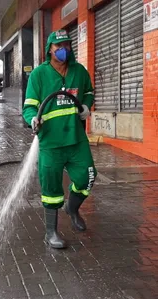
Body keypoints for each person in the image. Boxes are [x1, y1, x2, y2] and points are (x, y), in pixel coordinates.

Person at [22, 29, 97, 249]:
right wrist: (32, 120)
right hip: (50, 143)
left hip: (76, 139)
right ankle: (51, 232)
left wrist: (86, 106)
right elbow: (29, 107)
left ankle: (72, 208)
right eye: (58, 46)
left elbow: (89, 92)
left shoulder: (79, 71)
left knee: (87, 177)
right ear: (50, 49)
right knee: (52, 188)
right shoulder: (39, 75)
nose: (63, 50)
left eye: (66, 45)